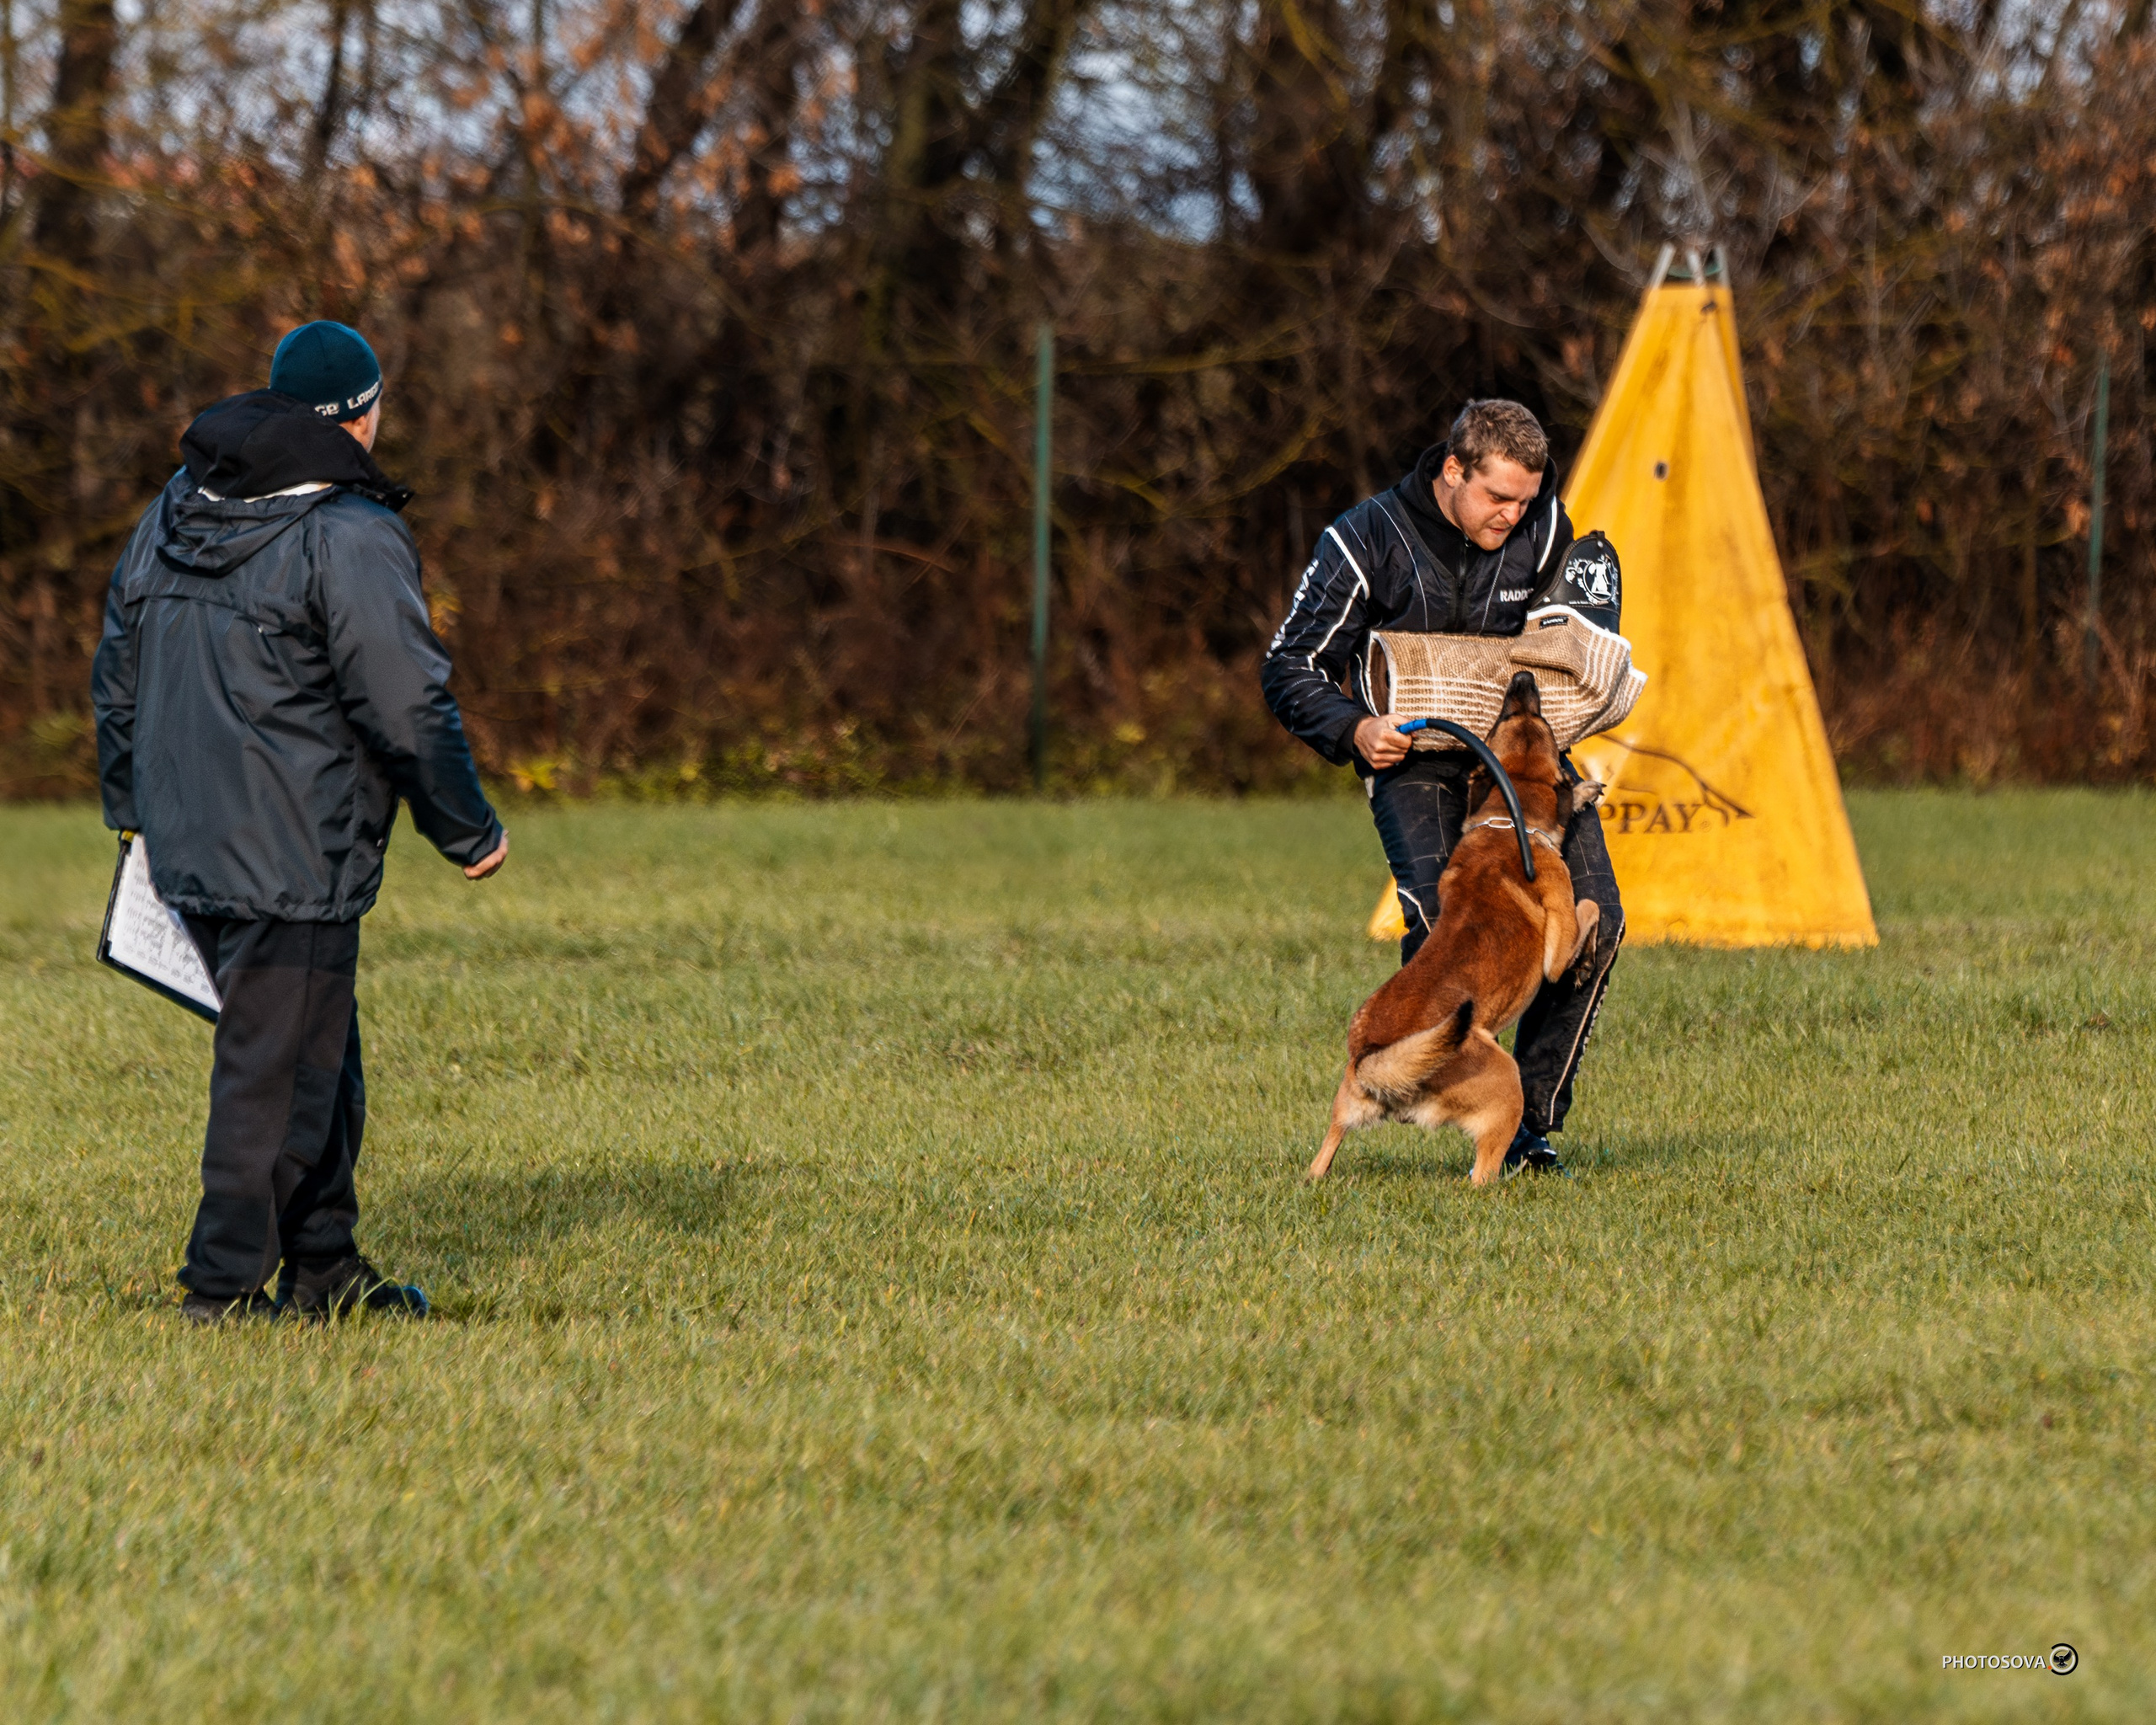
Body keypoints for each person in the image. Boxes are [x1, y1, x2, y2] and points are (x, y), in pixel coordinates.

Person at [91, 320, 508, 1322]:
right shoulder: (351, 533)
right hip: (292, 845)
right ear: (364, 412)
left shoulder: (174, 508)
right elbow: (406, 700)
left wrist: (134, 815)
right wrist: (467, 827)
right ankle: (222, 1291)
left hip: (188, 835)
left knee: (313, 1055)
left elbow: (119, 672)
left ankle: (325, 1268)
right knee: (274, 1077)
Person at [1260, 398, 1625, 1178]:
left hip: (1521, 763)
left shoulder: (1545, 527)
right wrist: (1354, 727)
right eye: (1499, 498)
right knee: (1440, 920)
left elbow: (1575, 631)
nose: (1515, 516)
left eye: (1527, 501)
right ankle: (1428, 1090)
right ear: (1454, 470)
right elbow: (1289, 666)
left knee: (1601, 922)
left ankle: (1525, 1123)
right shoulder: (1363, 541)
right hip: (1413, 761)